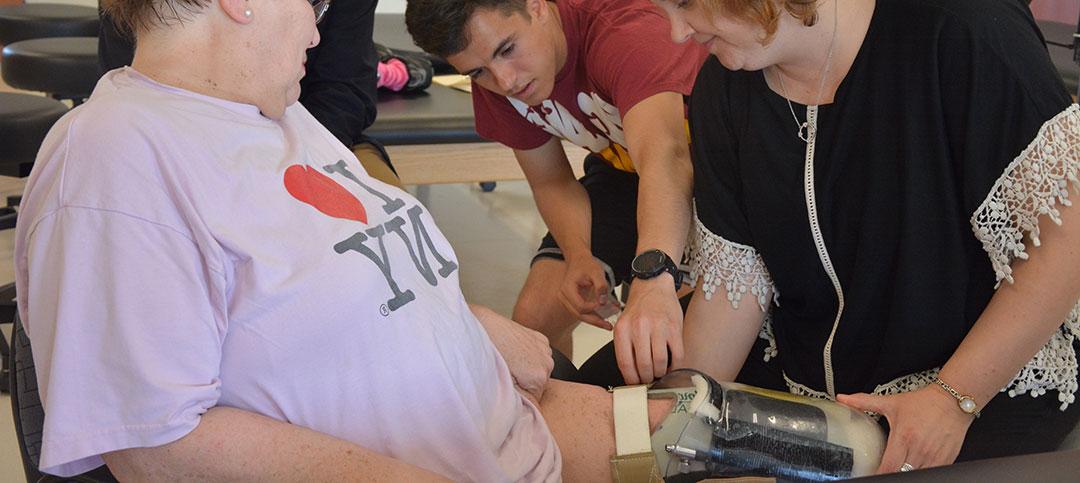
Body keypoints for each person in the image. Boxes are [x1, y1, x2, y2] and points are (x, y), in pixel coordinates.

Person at [15, 0, 678, 480]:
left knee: (751, 440)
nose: (316, 26)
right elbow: (155, 446)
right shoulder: (114, 155)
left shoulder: (279, 112)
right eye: (313, 2)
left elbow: (337, 285)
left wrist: (468, 321)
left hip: (534, 429)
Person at [652, 0, 1080, 474]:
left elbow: (1066, 246)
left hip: (982, 380)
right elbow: (735, 287)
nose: (675, 33)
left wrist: (951, 399)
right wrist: (673, 414)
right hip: (814, 385)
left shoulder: (963, 27)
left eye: (685, 3)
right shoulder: (725, 85)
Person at [405, 0, 709, 385]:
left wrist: (653, 279)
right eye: (479, 72)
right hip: (623, 171)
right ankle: (556, 433)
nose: (506, 82)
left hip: (712, 174)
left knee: (667, 345)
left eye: (508, 49)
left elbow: (667, 158)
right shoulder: (497, 77)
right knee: (535, 320)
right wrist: (578, 253)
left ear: (536, 6)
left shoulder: (623, 33)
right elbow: (551, 180)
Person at [97, 0, 432, 187]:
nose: (313, 35)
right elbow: (149, 79)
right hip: (185, 138)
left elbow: (346, 91)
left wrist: (276, 164)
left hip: (308, 132)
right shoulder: (123, 137)